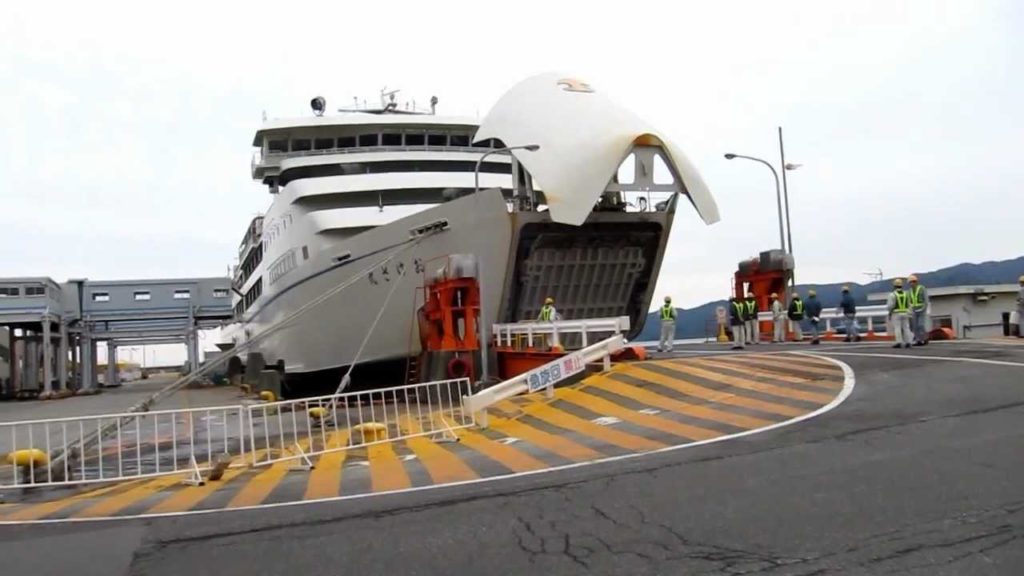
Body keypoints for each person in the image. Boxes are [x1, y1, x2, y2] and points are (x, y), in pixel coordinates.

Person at [887, 279, 912, 348]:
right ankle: (908, 342)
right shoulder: (906, 294)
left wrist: (890, 312)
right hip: (905, 312)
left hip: (896, 313)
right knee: (906, 327)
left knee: (897, 328)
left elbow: (890, 306)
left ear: (894, 286)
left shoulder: (892, 295)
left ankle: (899, 342)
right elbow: (909, 304)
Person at [908, 275, 929, 346]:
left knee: (921, 325)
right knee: (915, 326)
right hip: (914, 310)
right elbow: (909, 301)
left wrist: (924, 308)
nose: (912, 284)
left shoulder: (922, 288)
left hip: (921, 309)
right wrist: (910, 309)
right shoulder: (910, 291)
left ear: (916, 282)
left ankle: (925, 338)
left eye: (913, 282)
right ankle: (918, 340)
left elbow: (926, 300)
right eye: (910, 282)